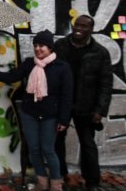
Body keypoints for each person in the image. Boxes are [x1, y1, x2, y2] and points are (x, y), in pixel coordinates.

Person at [0, 30, 73, 191]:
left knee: (48, 150)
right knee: (34, 150)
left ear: (50, 47)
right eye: (36, 45)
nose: (38, 49)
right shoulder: (29, 63)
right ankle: (42, 182)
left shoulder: (62, 67)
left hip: (50, 116)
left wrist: (64, 120)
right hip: (30, 113)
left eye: (42, 45)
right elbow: (12, 77)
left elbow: (67, 96)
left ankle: (56, 184)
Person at [53, 15, 113, 191]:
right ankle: (60, 175)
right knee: (57, 141)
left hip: (86, 107)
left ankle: (92, 181)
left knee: (88, 144)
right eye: (77, 24)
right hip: (62, 103)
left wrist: (100, 110)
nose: (79, 28)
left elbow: (105, 83)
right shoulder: (60, 46)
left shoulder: (101, 52)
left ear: (91, 29)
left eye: (84, 26)